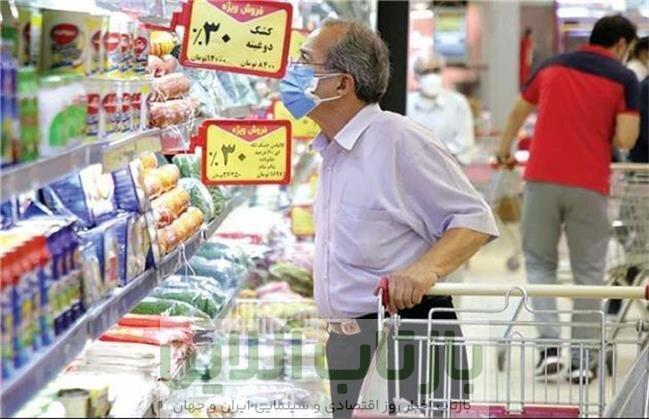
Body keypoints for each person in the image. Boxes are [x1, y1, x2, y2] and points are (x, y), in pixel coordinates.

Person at [280, 19, 499, 418]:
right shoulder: (332, 149)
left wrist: (425, 269)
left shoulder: (399, 141)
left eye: (304, 61)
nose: (291, 71)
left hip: (408, 338)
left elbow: (474, 219)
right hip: (351, 341)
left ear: (342, 84)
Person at [496, 14, 640, 384]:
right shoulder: (624, 78)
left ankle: (549, 351)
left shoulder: (552, 65)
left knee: (540, 264)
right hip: (589, 184)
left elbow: (518, 110)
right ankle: (582, 360)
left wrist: (504, 150)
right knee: (588, 272)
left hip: (541, 179)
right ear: (621, 45)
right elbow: (626, 139)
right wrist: (602, 126)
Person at [406, 53, 476, 166]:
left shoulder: (458, 103)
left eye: (436, 71)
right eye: (425, 72)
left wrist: (434, 156)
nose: (431, 76)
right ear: (416, 75)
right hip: (412, 168)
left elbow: (464, 144)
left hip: (448, 169)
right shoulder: (407, 103)